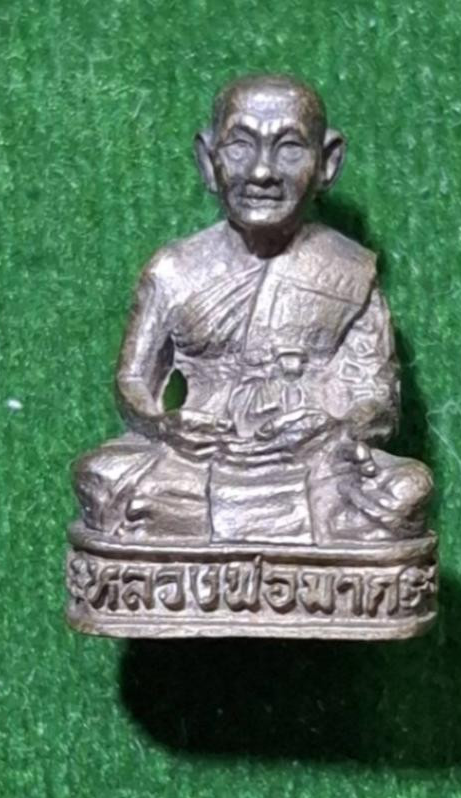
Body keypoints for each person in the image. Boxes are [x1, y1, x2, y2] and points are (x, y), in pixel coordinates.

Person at [74, 74, 432, 545]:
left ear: (328, 162)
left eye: (289, 148)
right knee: (100, 476)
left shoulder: (349, 270)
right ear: (208, 160)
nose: (262, 172)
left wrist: (334, 426)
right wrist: (164, 424)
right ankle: (287, 533)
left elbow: (377, 396)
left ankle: (235, 533)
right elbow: (134, 379)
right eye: (240, 146)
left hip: (311, 460)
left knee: (409, 488)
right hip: (199, 458)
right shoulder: (174, 270)